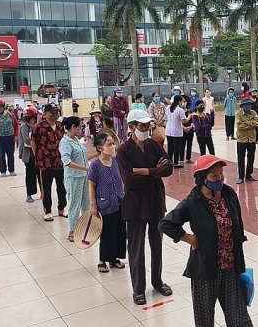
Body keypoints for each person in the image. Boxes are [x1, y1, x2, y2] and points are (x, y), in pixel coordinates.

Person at [159, 155, 252, 326]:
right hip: (205, 270)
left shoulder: (229, 193)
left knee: (240, 320)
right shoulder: (193, 202)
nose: (220, 179)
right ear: (202, 178)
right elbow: (166, 224)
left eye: (221, 174)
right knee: (204, 321)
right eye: (214, 176)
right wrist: (190, 239)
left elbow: (238, 221)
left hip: (231, 267)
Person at [117, 109, 174, 305]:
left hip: (155, 201)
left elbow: (169, 168)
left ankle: (157, 281)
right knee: (136, 247)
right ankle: (138, 289)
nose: (146, 129)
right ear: (131, 127)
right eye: (142, 126)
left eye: (148, 125)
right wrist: (155, 172)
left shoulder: (153, 145)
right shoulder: (123, 150)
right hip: (134, 204)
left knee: (156, 243)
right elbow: (129, 179)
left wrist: (146, 171)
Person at [88, 132, 127, 273]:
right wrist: (93, 204)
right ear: (100, 148)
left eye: (113, 143)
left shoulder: (116, 161)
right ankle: (102, 260)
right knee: (106, 233)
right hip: (104, 204)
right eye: (109, 144)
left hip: (119, 201)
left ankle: (114, 258)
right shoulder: (95, 165)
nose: (113, 146)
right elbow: (91, 185)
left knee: (120, 231)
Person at [31, 103, 68, 221]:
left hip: (59, 162)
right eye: (52, 113)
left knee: (61, 186)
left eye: (57, 113)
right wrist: (38, 156)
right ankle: (47, 210)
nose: (55, 115)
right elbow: (33, 142)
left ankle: (61, 208)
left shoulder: (60, 126)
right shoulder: (39, 127)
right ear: (45, 114)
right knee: (46, 187)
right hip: (45, 163)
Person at [60, 116, 91, 242]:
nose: (80, 130)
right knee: (74, 204)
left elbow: (84, 156)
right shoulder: (65, 142)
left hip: (84, 177)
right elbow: (67, 161)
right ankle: (72, 231)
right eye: (79, 127)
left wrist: (100, 154)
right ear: (73, 127)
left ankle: (85, 228)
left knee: (86, 203)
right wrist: (85, 168)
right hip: (73, 178)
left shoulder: (77, 140)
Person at [235, 97, 258, 184]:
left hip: (251, 139)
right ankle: (240, 176)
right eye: (245, 105)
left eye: (249, 105)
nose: (247, 106)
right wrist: (251, 125)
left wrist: (247, 123)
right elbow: (239, 126)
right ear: (242, 106)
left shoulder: (253, 113)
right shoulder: (238, 114)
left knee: (251, 158)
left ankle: (249, 175)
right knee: (241, 158)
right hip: (241, 140)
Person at [19, 107, 40, 203]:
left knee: (40, 175)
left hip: (37, 155)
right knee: (30, 175)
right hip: (29, 156)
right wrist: (36, 143)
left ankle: (42, 193)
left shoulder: (36, 126)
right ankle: (29, 194)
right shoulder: (24, 127)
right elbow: (26, 140)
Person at [165, 95, 188, 168]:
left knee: (170, 147)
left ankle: (169, 162)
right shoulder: (180, 110)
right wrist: (190, 117)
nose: (182, 103)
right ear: (179, 101)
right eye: (182, 101)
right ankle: (175, 162)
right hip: (177, 131)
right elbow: (184, 121)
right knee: (176, 147)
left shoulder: (168, 108)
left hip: (169, 131)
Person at [181, 94, 196, 164]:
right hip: (182, 130)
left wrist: (190, 127)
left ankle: (188, 158)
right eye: (182, 101)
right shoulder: (179, 111)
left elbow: (193, 121)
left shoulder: (190, 111)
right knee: (182, 145)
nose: (183, 103)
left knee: (189, 144)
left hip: (190, 130)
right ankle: (181, 159)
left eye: (185, 101)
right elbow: (178, 121)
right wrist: (184, 128)